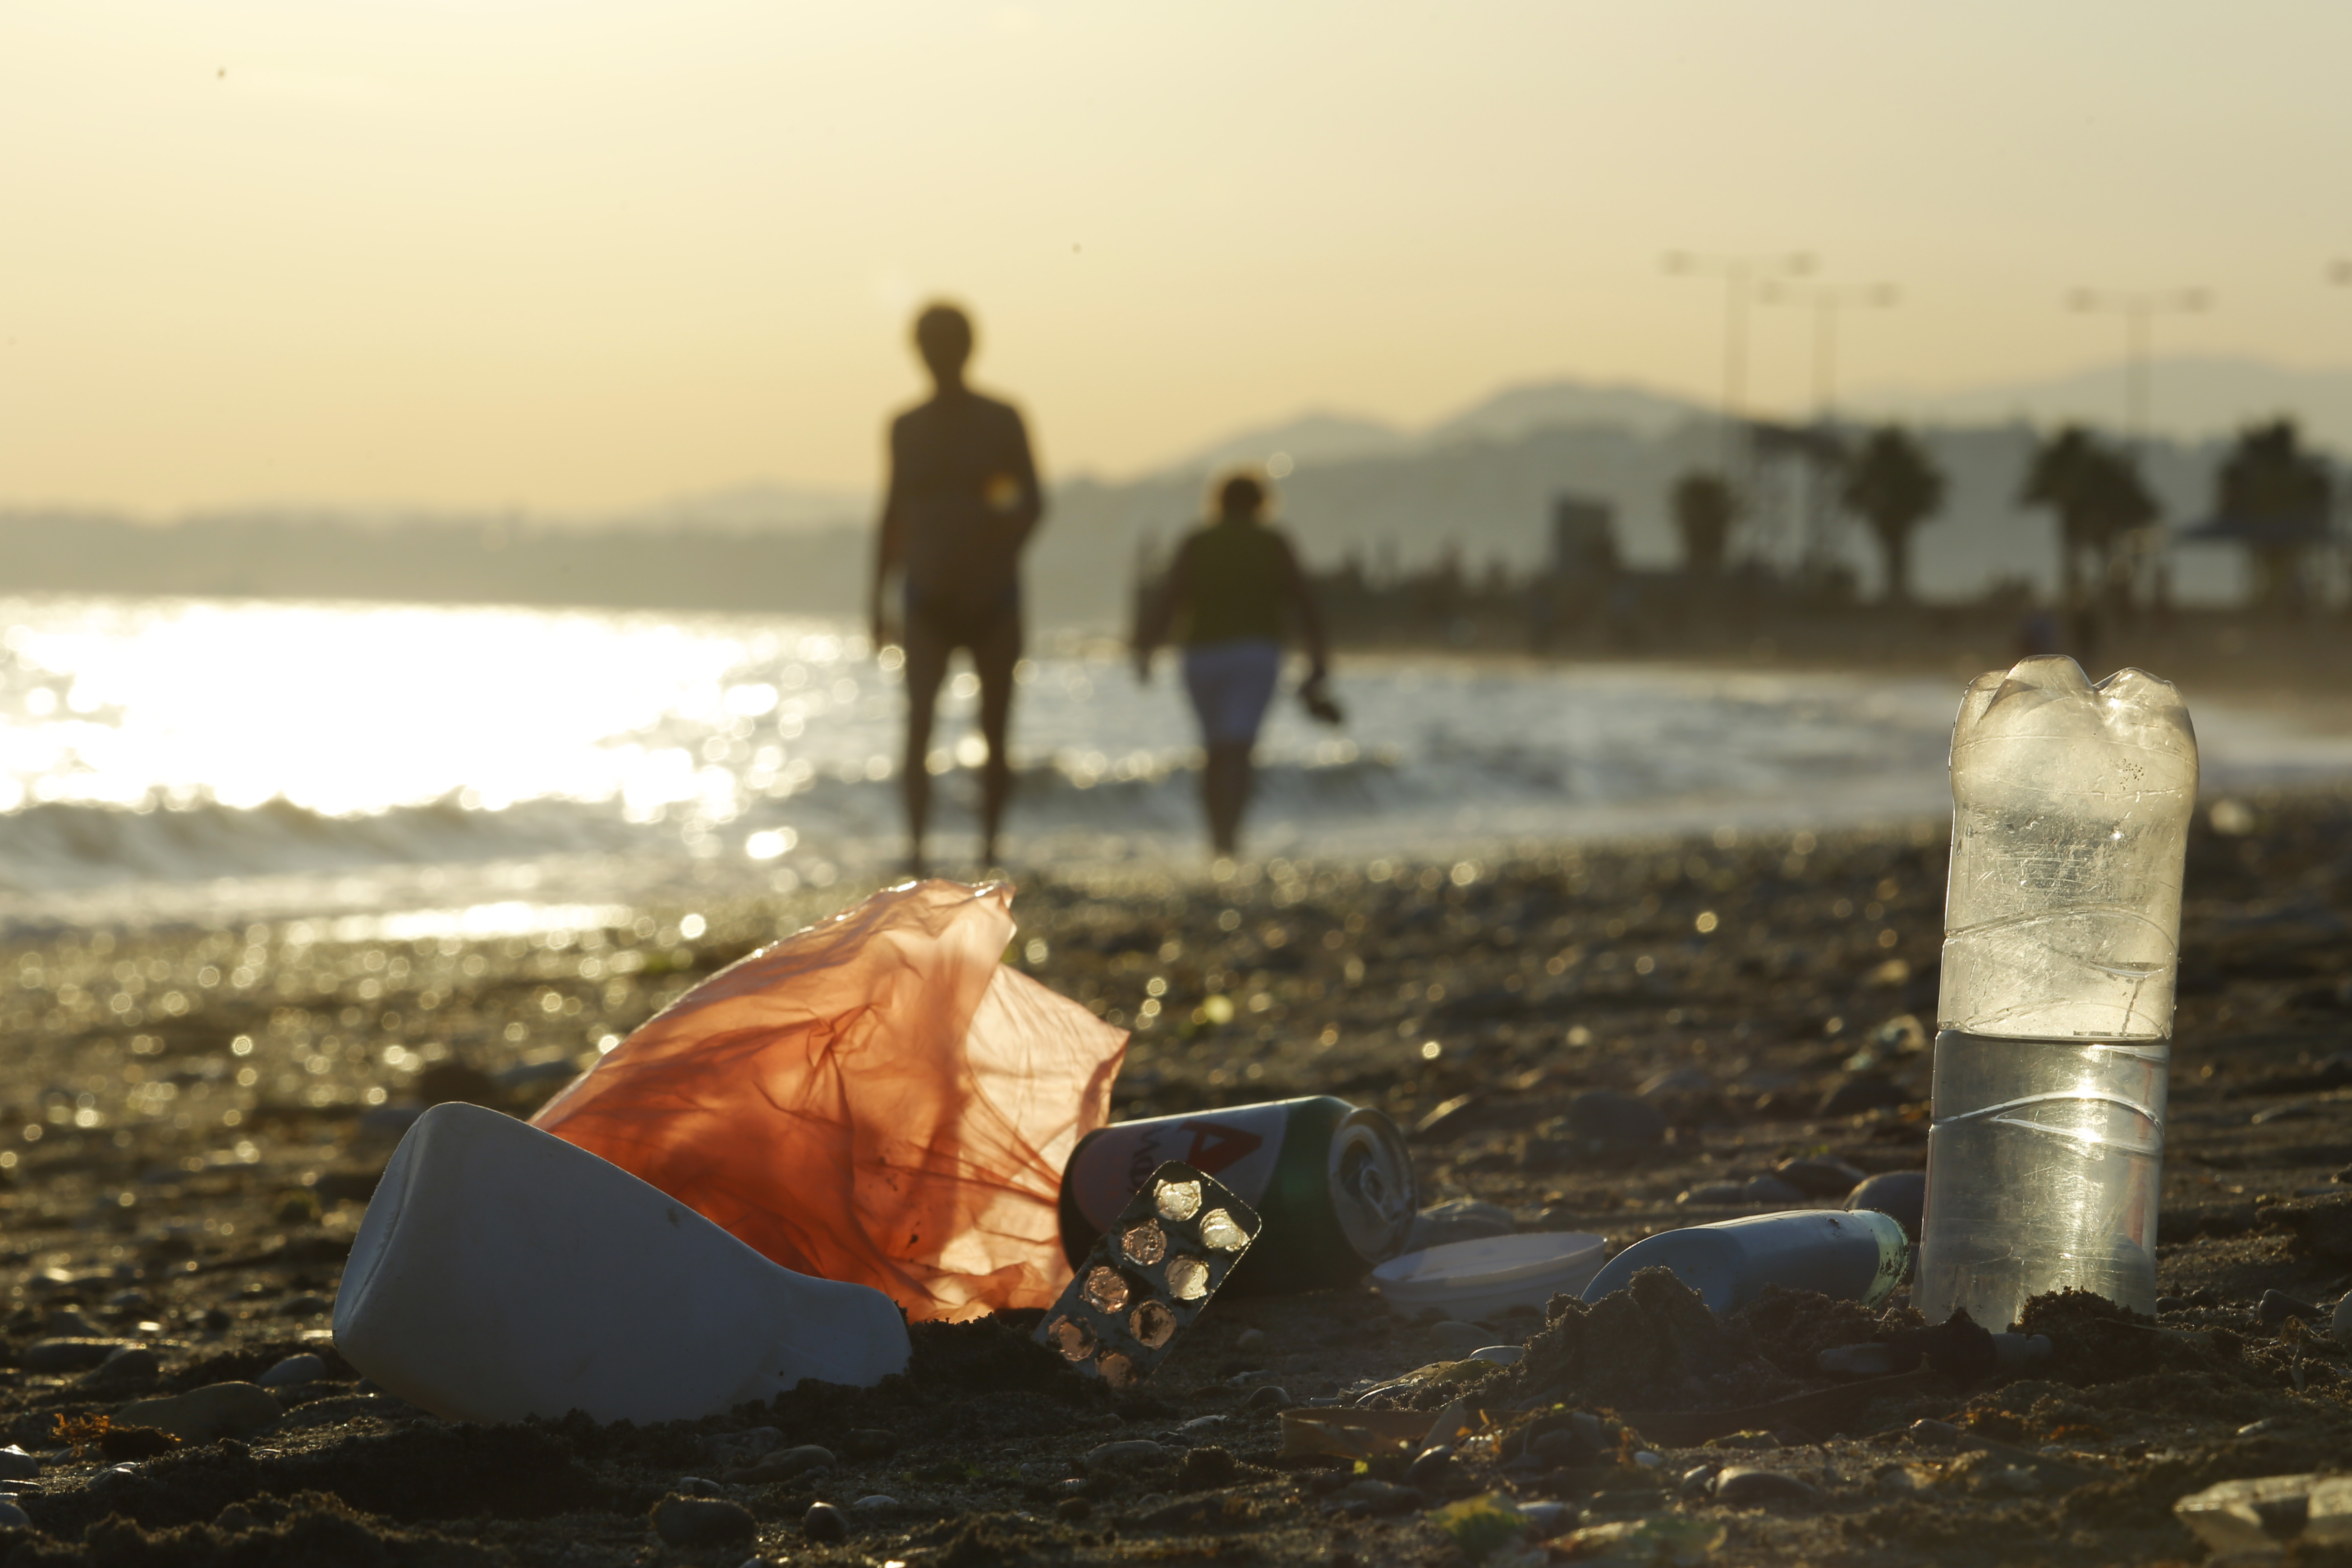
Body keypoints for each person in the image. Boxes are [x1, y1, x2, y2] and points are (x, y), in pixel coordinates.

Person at [869, 303, 1043, 873]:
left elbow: (1032, 504)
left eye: (948, 342)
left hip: (995, 599)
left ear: (970, 347)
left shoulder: (1001, 420)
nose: (938, 354)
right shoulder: (906, 426)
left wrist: (992, 564)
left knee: (995, 728)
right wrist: (875, 600)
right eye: (929, 343)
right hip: (926, 598)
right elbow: (892, 513)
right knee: (918, 724)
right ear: (917, 351)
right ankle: (917, 851)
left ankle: (990, 850)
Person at [1134, 471, 1334, 858]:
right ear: (1262, 503)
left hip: (1202, 656)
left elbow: (1169, 599)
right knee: (1239, 750)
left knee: (1213, 750)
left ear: (1218, 502)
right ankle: (1232, 840)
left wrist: (1146, 651)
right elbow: (1305, 603)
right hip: (1255, 655)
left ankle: (1216, 840)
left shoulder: (1197, 541)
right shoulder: (1274, 542)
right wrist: (1319, 661)